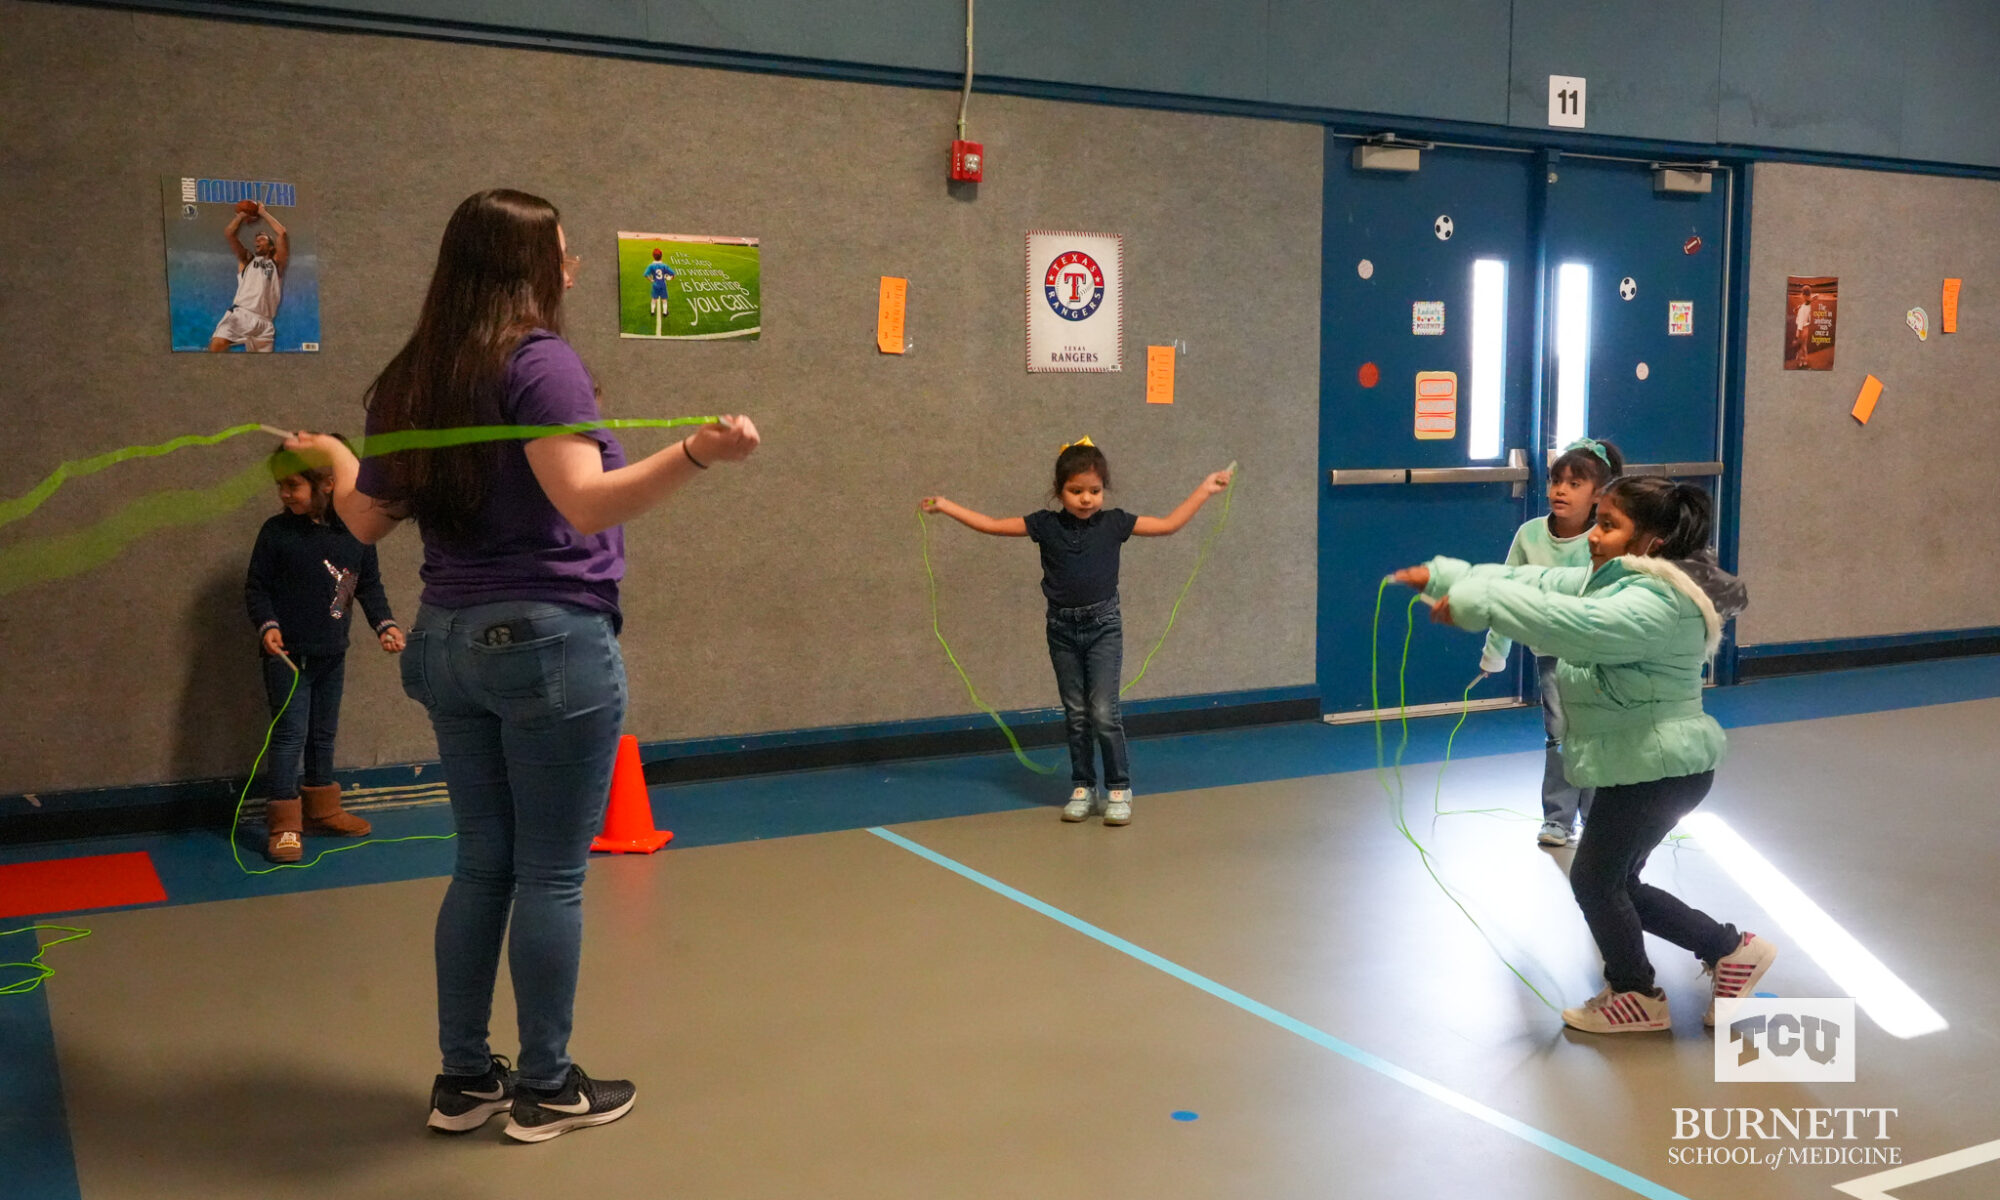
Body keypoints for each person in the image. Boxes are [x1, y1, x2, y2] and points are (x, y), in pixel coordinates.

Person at [284, 188, 760, 1141]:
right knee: (550, 875)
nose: (573, 268)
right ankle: (545, 1088)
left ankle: (464, 1080)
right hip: (544, 643)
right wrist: (699, 453)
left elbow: (362, 521)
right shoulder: (539, 362)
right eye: (563, 253)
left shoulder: (414, 375)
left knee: (483, 866)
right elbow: (584, 505)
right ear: (526, 268)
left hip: (447, 641)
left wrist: (338, 457)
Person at [1394, 477, 1776, 1034]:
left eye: (1609, 525)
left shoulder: (1655, 604)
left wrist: (1479, 606)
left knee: (1596, 882)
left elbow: (1572, 626)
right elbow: (1542, 581)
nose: (1593, 537)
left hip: (1657, 769)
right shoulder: (1620, 581)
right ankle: (1729, 950)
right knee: (1618, 882)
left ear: (1649, 540)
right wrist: (1454, 576)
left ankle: (1636, 995)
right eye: (1597, 520)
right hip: (1647, 764)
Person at [922, 439, 1231, 826]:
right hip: (1062, 629)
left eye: (1095, 491)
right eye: (1076, 491)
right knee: (1077, 713)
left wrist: (1205, 489)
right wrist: (947, 506)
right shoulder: (1044, 525)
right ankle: (1083, 786)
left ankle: (1119, 788)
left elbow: (1168, 525)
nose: (1086, 499)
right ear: (1059, 491)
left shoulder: (1115, 523)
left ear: (1104, 489)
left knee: (1104, 711)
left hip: (1104, 626)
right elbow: (993, 526)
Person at [244, 443, 403, 863]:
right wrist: (269, 626)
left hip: (333, 653)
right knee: (289, 736)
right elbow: (257, 587)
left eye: (293, 485)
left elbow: (368, 585)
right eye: (280, 486)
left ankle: (321, 811)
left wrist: (384, 624)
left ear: (327, 484)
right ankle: (284, 824)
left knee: (323, 735)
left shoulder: (356, 533)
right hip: (288, 658)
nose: (284, 494)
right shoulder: (275, 533)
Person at [1477, 437, 1623, 848]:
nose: (1560, 490)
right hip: (1551, 654)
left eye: (1575, 484)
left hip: (1598, 655)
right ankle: (1559, 819)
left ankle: (1598, 819)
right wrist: (1495, 653)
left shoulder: (1606, 539)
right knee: (1560, 733)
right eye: (1557, 481)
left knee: (1596, 733)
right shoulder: (1529, 536)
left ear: (1598, 495)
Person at [209, 201, 289, 352]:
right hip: (242, 315)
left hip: (265, 323)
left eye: (262, 238)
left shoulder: (277, 264)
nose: (257, 240)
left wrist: (262, 212)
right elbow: (229, 233)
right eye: (256, 239)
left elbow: (282, 232)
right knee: (217, 345)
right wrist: (242, 215)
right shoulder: (247, 260)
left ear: (271, 246)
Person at [644, 248, 676, 336]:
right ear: (661, 256)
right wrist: (670, 278)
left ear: (653, 256)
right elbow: (673, 274)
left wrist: (650, 280)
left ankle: (652, 311)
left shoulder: (651, 266)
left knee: (653, 299)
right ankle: (665, 312)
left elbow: (645, 275)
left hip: (655, 285)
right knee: (664, 299)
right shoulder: (664, 266)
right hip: (662, 285)